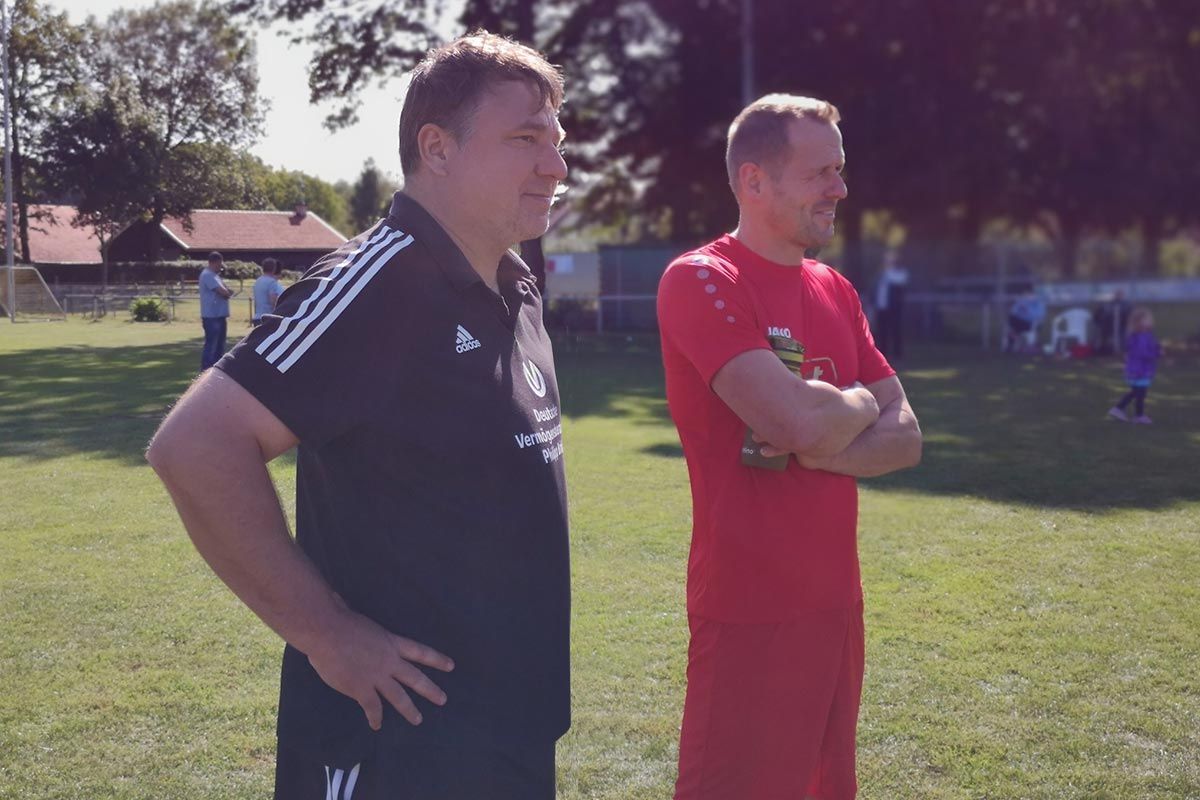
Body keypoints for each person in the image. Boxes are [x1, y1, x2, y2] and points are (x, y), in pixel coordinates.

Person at [146, 31, 570, 800]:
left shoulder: (515, 286)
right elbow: (196, 444)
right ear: (437, 149)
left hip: (510, 733)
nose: (556, 166)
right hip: (397, 748)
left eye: (557, 141)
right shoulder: (378, 283)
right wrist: (327, 634)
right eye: (525, 140)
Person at [656, 94, 922, 800]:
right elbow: (797, 422)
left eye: (840, 169)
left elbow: (905, 438)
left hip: (837, 606)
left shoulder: (835, 288)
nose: (840, 188)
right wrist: (853, 406)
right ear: (754, 181)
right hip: (748, 608)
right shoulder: (702, 279)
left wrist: (825, 426)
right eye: (819, 173)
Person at [1107, 307, 1161, 424]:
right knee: (1139, 393)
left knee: (1137, 392)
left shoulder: (1144, 335)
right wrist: (1155, 354)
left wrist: (1157, 349)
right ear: (1139, 322)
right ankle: (1135, 414)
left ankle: (1123, 410)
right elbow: (1142, 353)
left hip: (1138, 369)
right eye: (1147, 319)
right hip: (1140, 370)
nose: (1150, 321)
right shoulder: (1140, 337)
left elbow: (1150, 347)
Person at [198, 251, 234, 369]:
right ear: (214, 262)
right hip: (212, 317)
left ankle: (216, 370)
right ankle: (206, 370)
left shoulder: (215, 275)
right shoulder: (207, 275)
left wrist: (227, 292)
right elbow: (222, 292)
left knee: (219, 346)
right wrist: (227, 293)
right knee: (211, 346)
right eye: (220, 264)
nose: (220, 266)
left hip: (219, 316)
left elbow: (226, 290)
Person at [873, 248, 909, 360]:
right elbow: (875, 289)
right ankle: (883, 354)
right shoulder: (880, 274)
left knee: (895, 331)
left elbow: (901, 281)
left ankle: (898, 354)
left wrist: (887, 272)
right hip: (881, 307)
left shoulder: (899, 273)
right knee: (882, 331)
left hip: (893, 308)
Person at [252, 257, 284, 325]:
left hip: (257, 317)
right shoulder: (272, 282)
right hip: (268, 318)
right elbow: (273, 301)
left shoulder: (258, 281)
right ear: (274, 268)